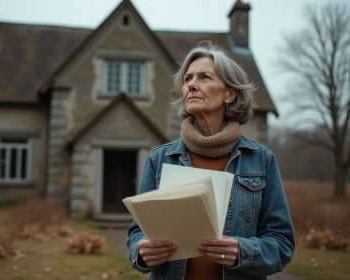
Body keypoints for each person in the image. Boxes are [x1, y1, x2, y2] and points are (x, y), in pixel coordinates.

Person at [126, 41, 295, 280]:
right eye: (187, 79)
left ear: (230, 93)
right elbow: (137, 235)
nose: (192, 85)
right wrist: (142, 253)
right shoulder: (159, 159)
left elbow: (281, 244)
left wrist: (243, 252)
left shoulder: (261, 160)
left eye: (204, 77)